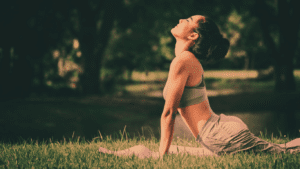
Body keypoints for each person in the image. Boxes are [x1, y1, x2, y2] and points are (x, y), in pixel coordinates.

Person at [99, 15, 300, 159]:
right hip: (218, 133)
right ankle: (117, 155)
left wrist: (162, 157)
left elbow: (168, 113)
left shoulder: (184, 60)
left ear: (193, 35)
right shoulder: (185, 60)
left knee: (283, 153)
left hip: (220, 135)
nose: (180, 20)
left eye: (187, 20)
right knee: (280, 149)